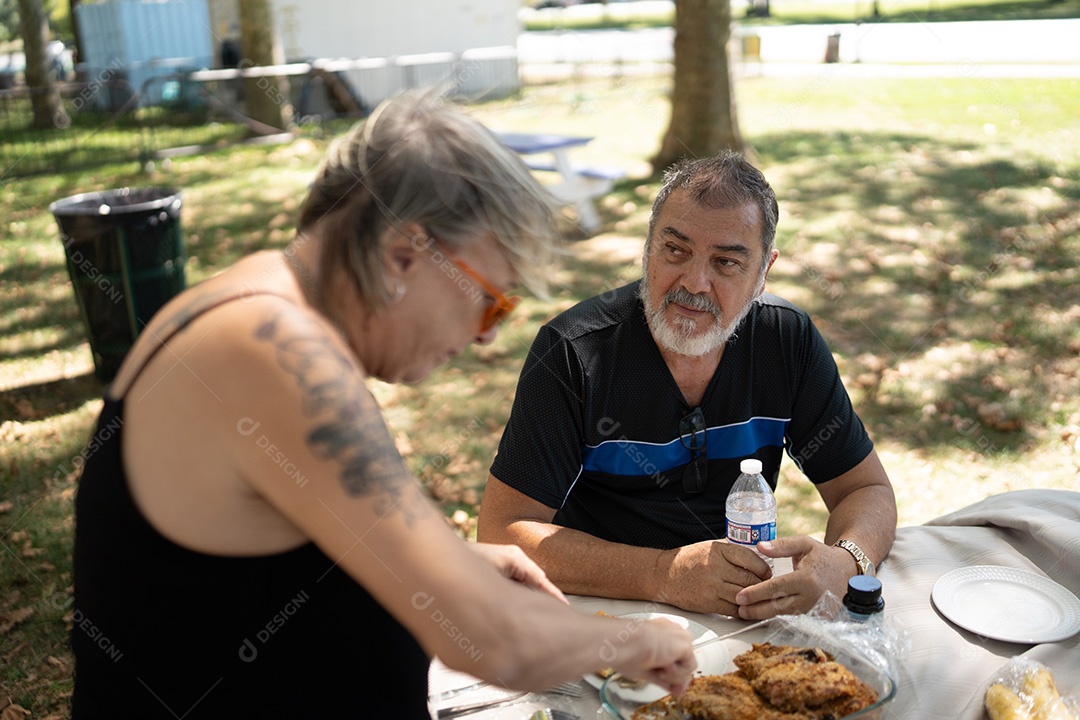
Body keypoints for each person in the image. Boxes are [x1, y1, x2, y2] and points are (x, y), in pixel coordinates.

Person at [70, 91, 696, 719]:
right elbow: (491, 639)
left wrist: (453, 562)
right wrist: (635, 639)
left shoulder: (255, 301)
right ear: (403, 254)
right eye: (491, 300)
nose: (485, 336)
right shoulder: (276, 351)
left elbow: (247, 567)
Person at [476, 151, 897, 621]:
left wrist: (845, 561)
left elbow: (865, 489)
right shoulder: (572, 352)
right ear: (648, 246)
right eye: (675, 250)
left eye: (726, 263)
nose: (694, 283)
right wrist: (663, 573)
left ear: (763, 273)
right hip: (600, 616)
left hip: (737, 614)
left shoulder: (786, 340)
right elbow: (503, 532)